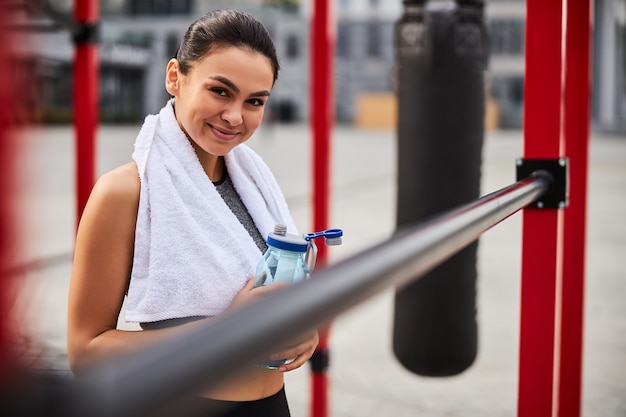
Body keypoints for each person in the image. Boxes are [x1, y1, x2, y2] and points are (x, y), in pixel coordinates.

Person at [67, 9, 318, 417]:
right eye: (220, 91)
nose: (236, 116)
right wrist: (225, 332)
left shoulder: (255, 186)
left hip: (273, 405)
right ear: (174, 78)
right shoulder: (124, 193)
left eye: (254, 101)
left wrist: (302, 330)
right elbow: (85, 354)